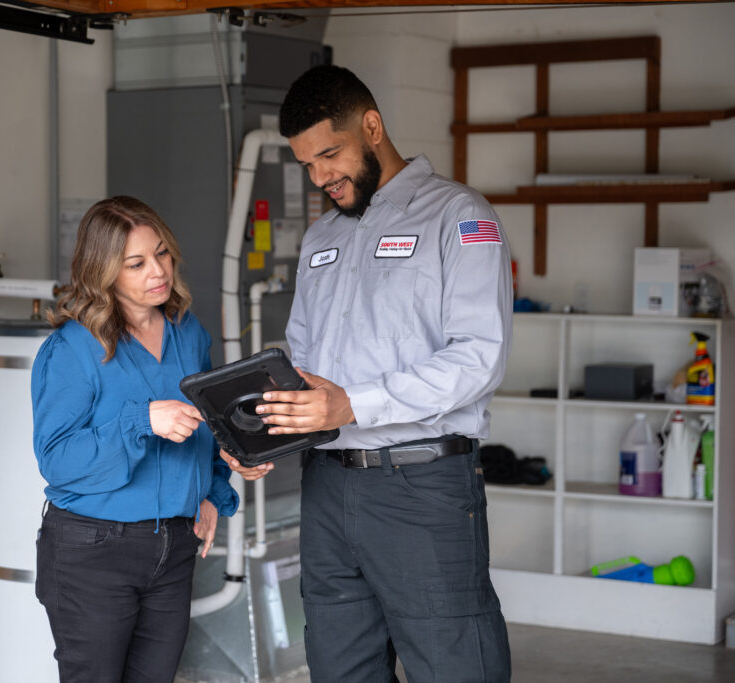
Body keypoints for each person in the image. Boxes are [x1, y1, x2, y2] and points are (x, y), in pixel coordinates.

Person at [222, 65, 513, 682]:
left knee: (453, 665)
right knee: (340, 666)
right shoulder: (321, 238)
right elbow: (301, 365)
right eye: (307, 165)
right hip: (327, 489)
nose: (321, 177)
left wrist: (354, 405)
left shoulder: (458, 217)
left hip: (421, 487)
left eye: (330, 155)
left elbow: (477, 357)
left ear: (372, 128)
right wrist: (264, 433)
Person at [31, 195, 239, 682]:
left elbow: (209, 424)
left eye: (162, 254)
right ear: (103, 271)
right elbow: (58, 460)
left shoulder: (188, 332)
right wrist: (141, 420)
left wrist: (212, 492)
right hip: (93, 552)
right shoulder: (71, 348)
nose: (158, 271)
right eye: (137, 263)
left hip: (173, 546)